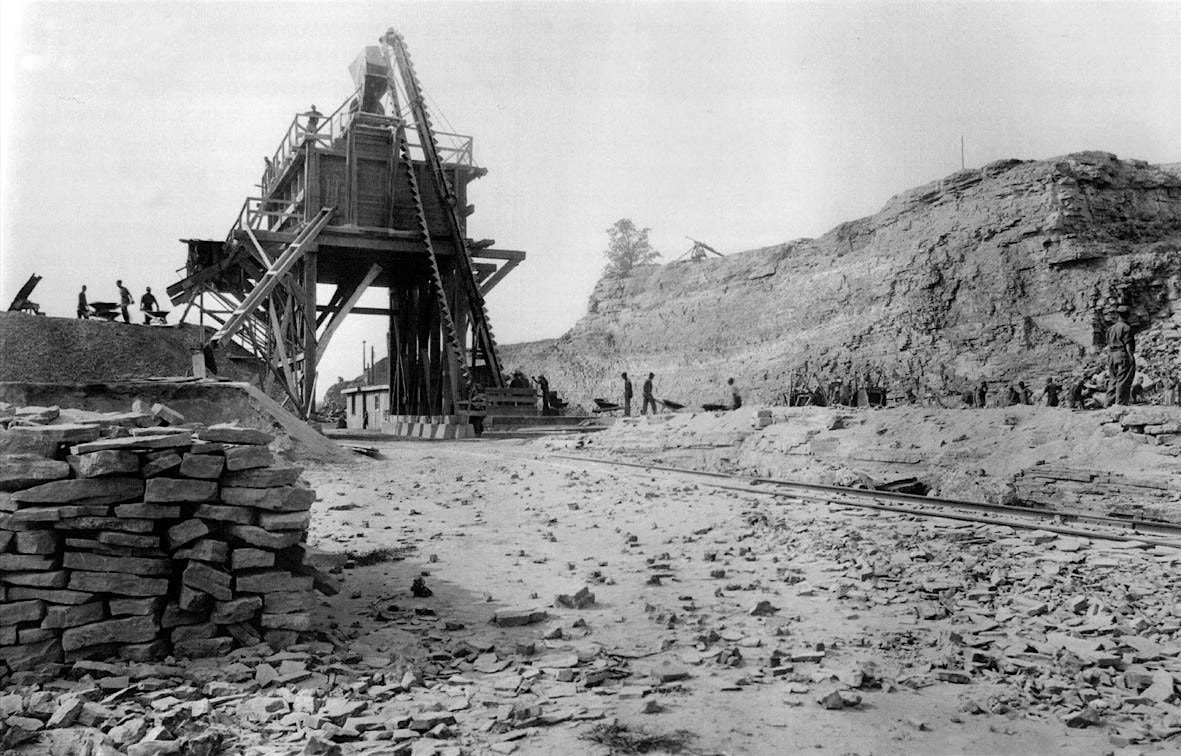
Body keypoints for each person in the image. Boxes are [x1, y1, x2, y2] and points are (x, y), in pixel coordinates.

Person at [1106, 305, 1136, 406]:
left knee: (1113, 379)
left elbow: (1108, 345)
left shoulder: (1111, 329)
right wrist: (1131, 357)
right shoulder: (1126, 328)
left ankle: (1108, 403)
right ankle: (1120, 404)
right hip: (1122, 354)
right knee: (1123, 379)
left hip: (1112, 355)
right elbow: (1128, 345)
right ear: (1127, 315)